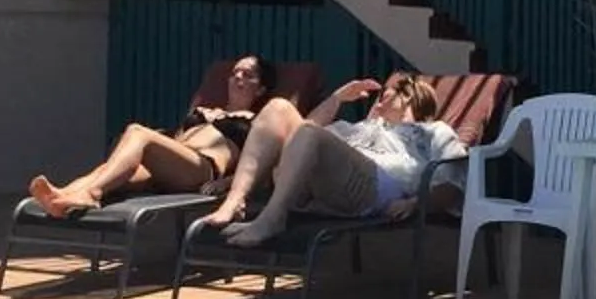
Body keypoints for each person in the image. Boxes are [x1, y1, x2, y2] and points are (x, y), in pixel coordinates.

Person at [202, 72, 463, 247]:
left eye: (387, 95)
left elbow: (453, 181)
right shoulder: (360, 127)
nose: (378, 100)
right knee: (278, 108)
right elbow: (298, 139)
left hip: (375, 187)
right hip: (321, 188)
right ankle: (236, 200)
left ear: (408, 97)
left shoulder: (433, 131)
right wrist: (337, 98)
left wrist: (416, 203)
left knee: (309, 133)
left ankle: (273, 218)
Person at [27, 54, 276, 217]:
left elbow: (261, 166)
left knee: (138, 132)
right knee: (110, 169)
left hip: (201, 169)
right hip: (172, 166)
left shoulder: (255, 121)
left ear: (261, 89)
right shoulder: (206, 110)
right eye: (235, 72)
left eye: (247, 74)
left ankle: (91, 194)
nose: (238, 77)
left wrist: (227, 184)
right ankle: (62, 196)